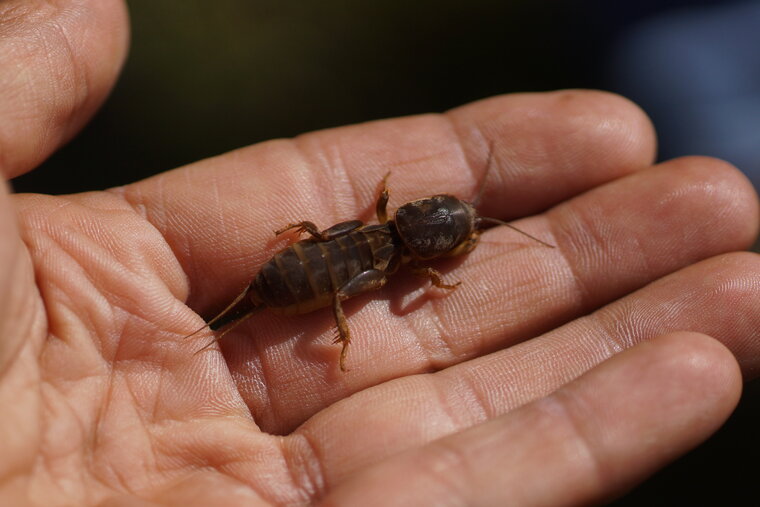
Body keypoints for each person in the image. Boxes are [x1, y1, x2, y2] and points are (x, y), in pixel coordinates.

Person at [0, 2, 758, 505]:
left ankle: (246, 316)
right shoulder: (407, 262)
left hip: (309, 270)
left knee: (327, 269)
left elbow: (367, 237)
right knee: (329, 276)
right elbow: (398, 262)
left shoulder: (395, 241)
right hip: (304, 276)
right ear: (429, 230)